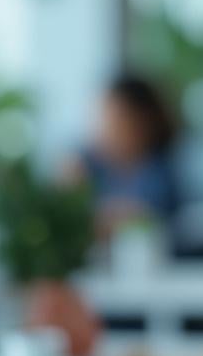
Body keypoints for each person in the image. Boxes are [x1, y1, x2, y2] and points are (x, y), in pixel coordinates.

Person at [64, 74, 181, 239]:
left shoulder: (162, 169)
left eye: (115, 119)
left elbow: (150, 217)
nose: (105, 129)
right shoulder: (89, 163)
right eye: (103, 118)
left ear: (144, 122)